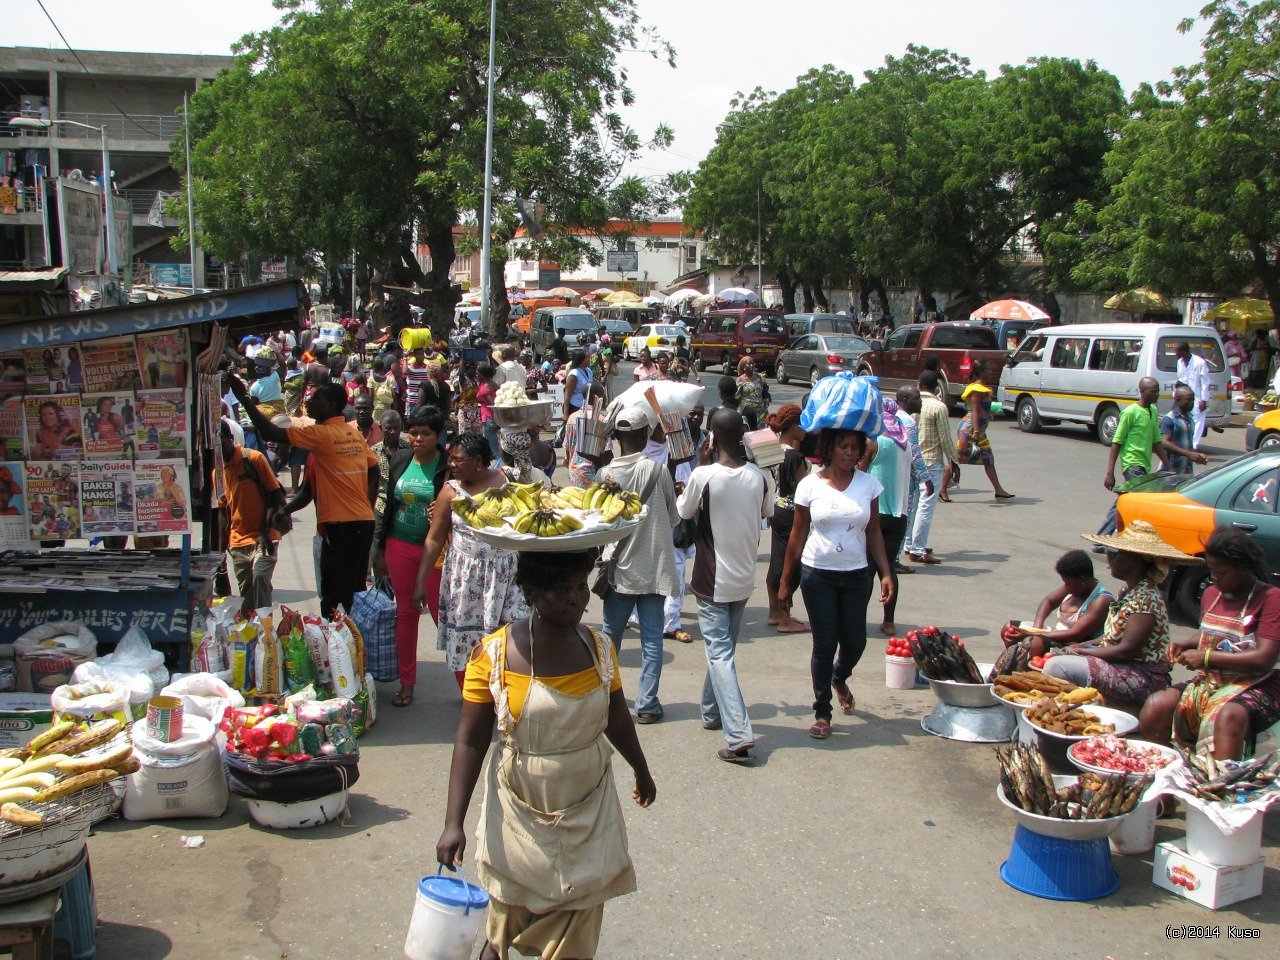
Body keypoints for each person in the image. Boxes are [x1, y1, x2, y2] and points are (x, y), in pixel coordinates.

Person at [436, 549, 654, 960]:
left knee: (581, 911)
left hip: (589, 805)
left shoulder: (600, 649)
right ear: (530, 591)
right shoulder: (493, 656)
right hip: (519, 808)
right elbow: (469, 741)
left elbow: (618, 719)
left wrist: (642, 771)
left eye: (580, 587)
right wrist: (453, 823)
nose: (576, 599)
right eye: (560, 590)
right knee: (508, 916)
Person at [230, 378, 377, 618]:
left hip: (342, 526)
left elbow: (269, 431)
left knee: (335, 595)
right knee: (351, 591)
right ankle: (346, 646)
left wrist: (244, 398)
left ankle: (340, 646)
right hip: (360, 523)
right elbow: (309, 491)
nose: (309, 401)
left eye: (316, 398)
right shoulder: (352, 435)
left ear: (330, 405)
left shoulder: (322, 434)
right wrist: (284, 510)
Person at [779, 428, 892, 740]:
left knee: (856, 641)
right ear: (830, 448)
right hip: (817, 575)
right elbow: (798, 535)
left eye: (856, 448)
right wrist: (786, 581)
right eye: (844, 446)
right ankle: (822, 711)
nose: (850, 453)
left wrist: (885, 572)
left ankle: (839, 677)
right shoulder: (809, 485)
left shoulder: (869, 485)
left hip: (857, 575)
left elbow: (874, 533)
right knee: (825, 642)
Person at [676, 408, 774, 763]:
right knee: (723, 653)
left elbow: (683, 513)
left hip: (712, 578)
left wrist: (698, 466)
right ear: (745, 435)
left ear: (712, 438)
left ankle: (738, 735)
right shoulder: (762, 476)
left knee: (720, 654)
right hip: (744, 578)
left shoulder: (704, 476)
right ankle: (711, 712)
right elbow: (767, 513)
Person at [1140, 528, 1280, 760]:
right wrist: (1186, 645)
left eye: (1221, 572)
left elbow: (1263, 659)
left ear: (1243, 568)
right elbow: (1210, 634)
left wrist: (1205, 658)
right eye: (1212, 570)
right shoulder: (1211, 594)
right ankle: (1167, 777)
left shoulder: (1270, 598)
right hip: (1213, 681)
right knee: (1157, 706)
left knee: (1228, 716)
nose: (1213, 577)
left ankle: (1221, 785)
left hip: (1258, 684)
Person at [412, 433, 529, 688]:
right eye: (450, 459)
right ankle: (476, 696)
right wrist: (420, 581)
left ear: (478, 461)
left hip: (509, 575)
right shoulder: (450, 491)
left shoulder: (510, 479)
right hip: (467, 580)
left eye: (457, 460)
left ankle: (510, 694)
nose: (451, 465)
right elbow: (434, 538)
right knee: (472, 645)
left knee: (514, 637)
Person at [1038, 520, 1193, 708]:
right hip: (1121, 665)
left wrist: (1083, 651)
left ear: (1134, 559)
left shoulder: (1146, 599)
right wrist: (1084, 644)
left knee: (1056, 667)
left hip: (1140, 675)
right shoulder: (1128, 591)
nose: (1110, 560)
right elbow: (1113, 636)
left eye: (1116, 554)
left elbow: (1127, 649)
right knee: (1059, 656)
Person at [598, 405, 680, 724]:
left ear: (617, 437)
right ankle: (647, 704)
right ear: (647, 435)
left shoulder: (606, 475)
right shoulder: (659, 472)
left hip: (618, 570)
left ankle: (605, 698)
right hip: (654, 568)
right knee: (651, 639)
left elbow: (600, 520)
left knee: (610, 636)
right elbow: (673, 517)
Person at [374, 406, 448, 708]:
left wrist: (446, 510)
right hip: (399, 545)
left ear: (437, 435)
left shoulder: (448, 464)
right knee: (406, 614)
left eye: (425, 433)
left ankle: (469, 686)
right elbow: (386, 506)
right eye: (413, 432)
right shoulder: (401, 460)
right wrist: (379, 549)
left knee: (447, 617)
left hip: (438, 551)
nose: (417, 439)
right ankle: (407, 684)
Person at [1097, 377, 1201, 540]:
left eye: (1158, 390)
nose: (1157, 394)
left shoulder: (1152, 411)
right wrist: (1109, 473)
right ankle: (1109, 536)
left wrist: (1168, 466)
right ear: (1143, 391)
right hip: (1132, 464)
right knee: (1136, 501)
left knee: (1126, 500)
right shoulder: (1130, 413)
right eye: (1154, 391)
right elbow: (1116, 443)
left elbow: (1157, 442)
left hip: (1144, 464)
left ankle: (1103, 536)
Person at [218, 418, 285, 617]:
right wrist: (220, 551)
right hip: (238, 540)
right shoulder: (217, 471)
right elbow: (223, 512)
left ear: (230, 438)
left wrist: (264, 531)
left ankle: (265, 629)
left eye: (219, 442)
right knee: (247, 591)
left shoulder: (253, 458)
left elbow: (275, 494)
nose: (217, 450)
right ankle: (250, 633)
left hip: (265, 535)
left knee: (260, 576)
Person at [999, 550, 1115, 663]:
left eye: (1068, 583)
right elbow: (1049, 601)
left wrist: (1031, 634)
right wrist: (1037, 626)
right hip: (1055, 634)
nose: (1066, 586)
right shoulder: (1074, 586)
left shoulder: (1101, 600)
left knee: (1033, 643)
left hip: (1076, 643)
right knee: (1008, 628)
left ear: (1082, 580)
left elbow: (1075, 634)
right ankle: (1011, 664)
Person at [865, 400, 913, 636]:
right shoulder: (905, 443)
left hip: (876, 514)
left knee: (866, 569)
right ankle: (889, 621)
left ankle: (856, 618)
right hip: (899, 515)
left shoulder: (875, 442)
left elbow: (860, 473)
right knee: (888, 569)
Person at [763, 404, 810, 634]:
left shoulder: (770, 450)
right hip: (793, 514)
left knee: (777, 561)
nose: (805, 429)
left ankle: (774, 613)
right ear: (792, 426)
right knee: (790, 567)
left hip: (776, 510)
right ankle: (785, 619)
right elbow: (802, 491)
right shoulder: (796, 457)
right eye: (802, 424)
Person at [941, 361, 1013, 500]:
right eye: (988, 369)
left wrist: (989, 413)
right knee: (956, 458)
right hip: (970, 430)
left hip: (977, 430)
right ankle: (942, 489)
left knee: (988, 459)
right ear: (981, 372)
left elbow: (980, 410)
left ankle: (998, 490)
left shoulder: (981, 388)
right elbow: (974, 411)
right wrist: (975, 432)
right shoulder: (977, 390)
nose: (991, 372)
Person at [903, 371, 953, 564]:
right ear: (937, 386)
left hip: (912, 460)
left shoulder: (910, 405)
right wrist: (954, 460)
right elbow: (945, 439)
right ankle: (917, 548)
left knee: (912, 504)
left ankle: (909, 542)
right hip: (931, 461)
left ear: (919, 383)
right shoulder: (938, 407)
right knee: (926, 505)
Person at [893, 385, 933, 574]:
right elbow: (915, 453)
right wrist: (926, 478)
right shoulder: (907, 422)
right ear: (905, 400)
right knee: (904, 517)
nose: (921, 401)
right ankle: (894, 558)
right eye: (917, 398)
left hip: (895, 475)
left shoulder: (895, 418)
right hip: (906, 478)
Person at [562, 383, 612, 487]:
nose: (605, 396)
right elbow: (607, 452)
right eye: (602, 393)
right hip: (594, 472)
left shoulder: (572, 417)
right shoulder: (600, 420)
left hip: (575, 471)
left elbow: (568, 446)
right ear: (596, 396)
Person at [371, 409, 409, 522]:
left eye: (396, 428)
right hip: (381, 506)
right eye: (388, 428)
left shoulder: (409, 450)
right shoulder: (373, 452)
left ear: (401, 427)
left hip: (402, 506)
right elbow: (371, 485)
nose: (392, 432)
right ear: (380, 428)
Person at [1174, 341, 1213, 448]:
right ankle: (1184, 444)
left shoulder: (1199, 363)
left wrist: (1203, 400)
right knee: (1184, 420)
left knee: (1197, 422)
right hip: (1184, 397)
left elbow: (1205, 382)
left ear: (1183, 351)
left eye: (1176, 351)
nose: (1175, 353)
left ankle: (1193, 446)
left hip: (1197, 398)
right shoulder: (1180, 362)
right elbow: (1180, 379)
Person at [1160, 385, 1205, 476]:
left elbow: (1188, 446)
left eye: (1193, 400)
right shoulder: (1170, 418)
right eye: (1188, 400)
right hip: (1171, 471)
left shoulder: (1190, 419)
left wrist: (1197, 456)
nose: (1192, 403)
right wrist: (1188, 454)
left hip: (1187, 472)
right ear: (1177, 400)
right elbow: (1164, 443)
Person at [735, 357, 770, 427]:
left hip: (760, 411)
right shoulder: (740, 380)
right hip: (747, 411)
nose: (751, 365)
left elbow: (764, 390)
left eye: (753, 363)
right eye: (749, 364)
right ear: (744, 366)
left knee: (760, 433)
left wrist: (765, 385)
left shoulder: (759, 377)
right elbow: (737, 396)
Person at [562, 350, 594, 425]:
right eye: (587, 358)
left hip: (586, 405)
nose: (589, 360)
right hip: (575, 405)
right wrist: (565, 414)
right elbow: (567, 394)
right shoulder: (574, 374)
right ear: (580, 360)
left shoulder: (588, 371)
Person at [476, 363, 500, 459]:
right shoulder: (496, 384)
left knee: (493, 447)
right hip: (496, 418)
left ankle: (499, 466)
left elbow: (493, 403)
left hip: (489, 418)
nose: (476, 376)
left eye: (477, 374)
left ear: (482, 375)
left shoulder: (485, 388)